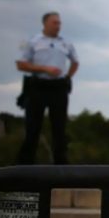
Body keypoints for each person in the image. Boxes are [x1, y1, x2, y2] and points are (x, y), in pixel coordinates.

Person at [16, 12, 79, 165]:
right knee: (33, 126)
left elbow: (75, 62)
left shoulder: (66, 43)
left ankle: (61, 163)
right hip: (38, 86)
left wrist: (67, 77)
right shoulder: (33, 41)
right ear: (45, 24)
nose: (58, 26)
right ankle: (26, 163)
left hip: (58, 87)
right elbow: (21, 64)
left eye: (59, 23)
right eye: (54, 23)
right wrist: (44, 69)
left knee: (59, 126)